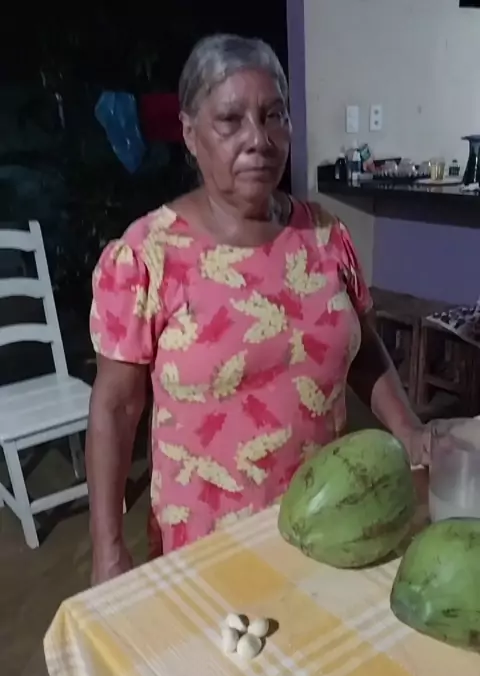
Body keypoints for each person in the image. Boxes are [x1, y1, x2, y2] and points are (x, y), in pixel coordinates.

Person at [87, 33, 428, 586]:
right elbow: (116, 409)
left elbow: (364, 352)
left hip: (329, 525)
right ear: (190, 133)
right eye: (231, 120)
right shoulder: (147, 256)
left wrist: (409, 428)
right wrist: (107, 551)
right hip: (203, 549)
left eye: (274, 116)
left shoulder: (325, 235)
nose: (259, 139)